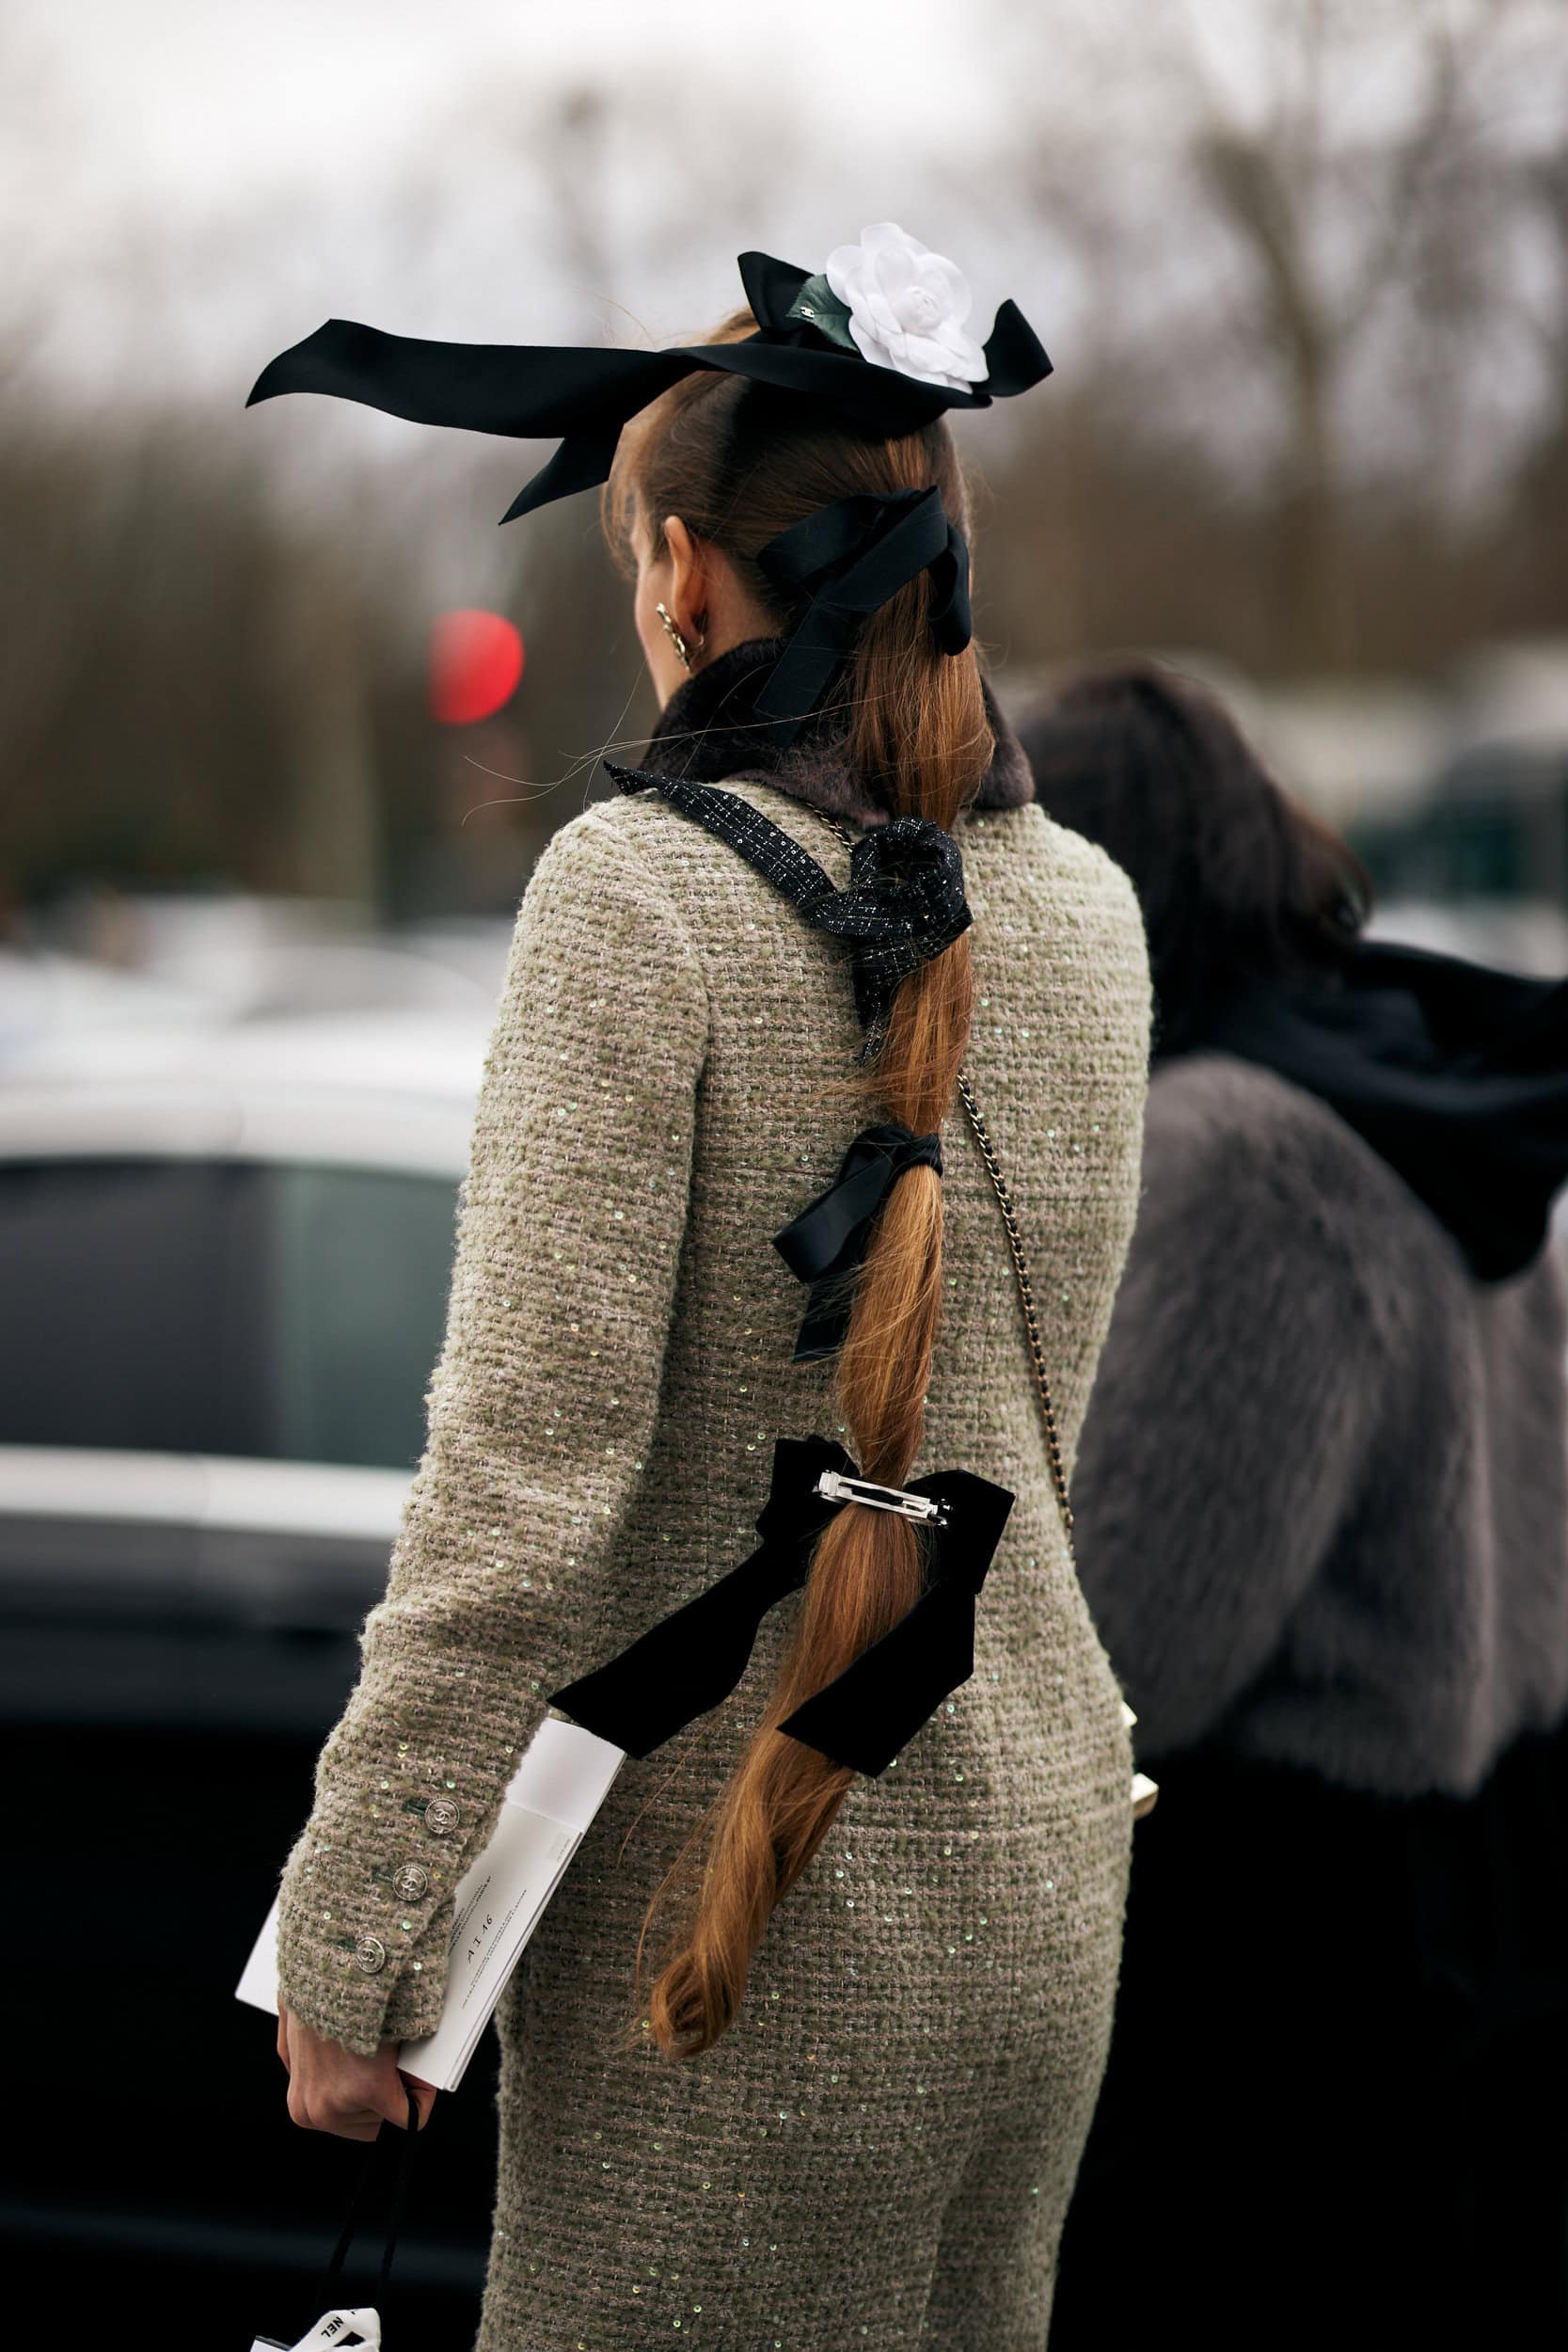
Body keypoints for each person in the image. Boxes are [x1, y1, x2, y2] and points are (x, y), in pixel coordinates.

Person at [248, 227, 1152, 2348]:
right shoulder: (1092, 909)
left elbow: (521, 1490)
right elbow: (1041, 1433)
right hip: (1040, 1877)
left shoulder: (637, 894)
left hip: (738, 1922)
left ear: (677, 572)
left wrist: (359, 1931)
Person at [1024, 661, 1568, 2350]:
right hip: (1482, 1889)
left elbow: (1127, 1656)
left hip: (1279, 1957)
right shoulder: (1413, 1093)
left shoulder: (1240, 1156)